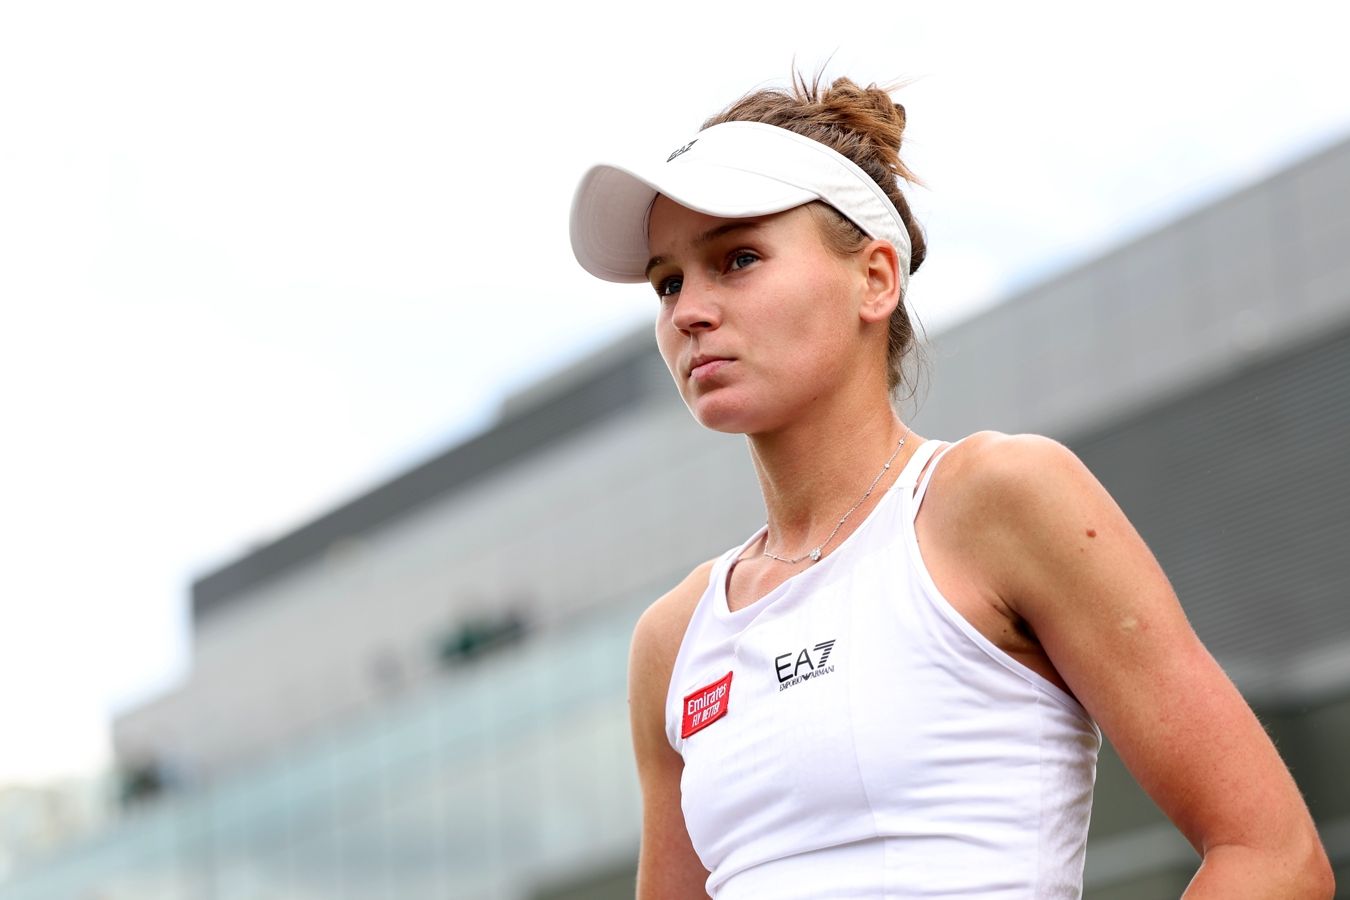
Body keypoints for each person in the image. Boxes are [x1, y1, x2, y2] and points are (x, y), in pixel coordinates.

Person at [569, 74, 1333, 899]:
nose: (688, 311)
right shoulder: (673, 640)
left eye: (738, 259)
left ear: (875, 278)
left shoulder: (1000, 498)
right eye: (668, 282)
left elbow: (1273, 856)